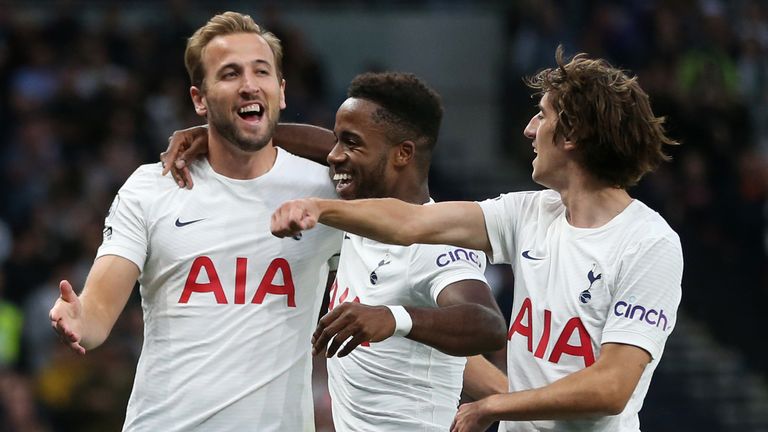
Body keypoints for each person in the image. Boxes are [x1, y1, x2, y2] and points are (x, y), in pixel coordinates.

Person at [270, 47, 684, 432]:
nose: (529, 129)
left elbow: (611, 387)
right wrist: (319, 208)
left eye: (542, 116)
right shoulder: (531, 213)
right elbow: (411, 222)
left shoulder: (648, 243)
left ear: (572, 134)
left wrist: (495, 405)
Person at [164, 71, 508, 431]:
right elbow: (324, 144)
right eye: (337, 139)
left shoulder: (434, 241)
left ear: (402, 154)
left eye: (351, 143)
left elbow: (488, 324)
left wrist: (393, 318)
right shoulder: (359, 212)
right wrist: (226, 138)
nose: (333, 155)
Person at [49, 12, 343, 432]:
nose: (248, 84)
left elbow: (390, 185)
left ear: (281, 92)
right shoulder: (152, 187)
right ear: (199, 99)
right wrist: (80, 320)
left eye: (261, 72)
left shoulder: (325, 192)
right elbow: (99, 307)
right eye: (229, 73)